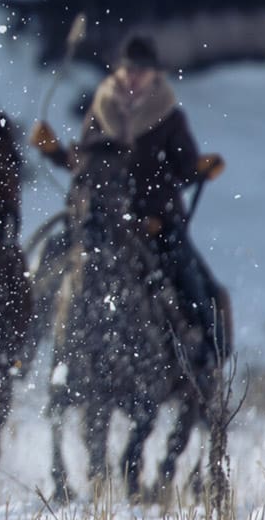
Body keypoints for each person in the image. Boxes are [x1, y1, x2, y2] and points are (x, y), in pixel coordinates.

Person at [30, 33, 228, 366]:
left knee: (188, 272)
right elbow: (86, 165)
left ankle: (206, 349)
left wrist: (199, 170)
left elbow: (182, 171)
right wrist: (54, 152)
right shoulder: (101, 109)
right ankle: (26, 347)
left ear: (155, 75)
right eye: (128, 70)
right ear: (118, 71)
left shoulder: (170, 119)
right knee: (50, 260)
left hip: (155, 221)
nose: (133, 77)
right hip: (101, 218)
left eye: (142, 70)